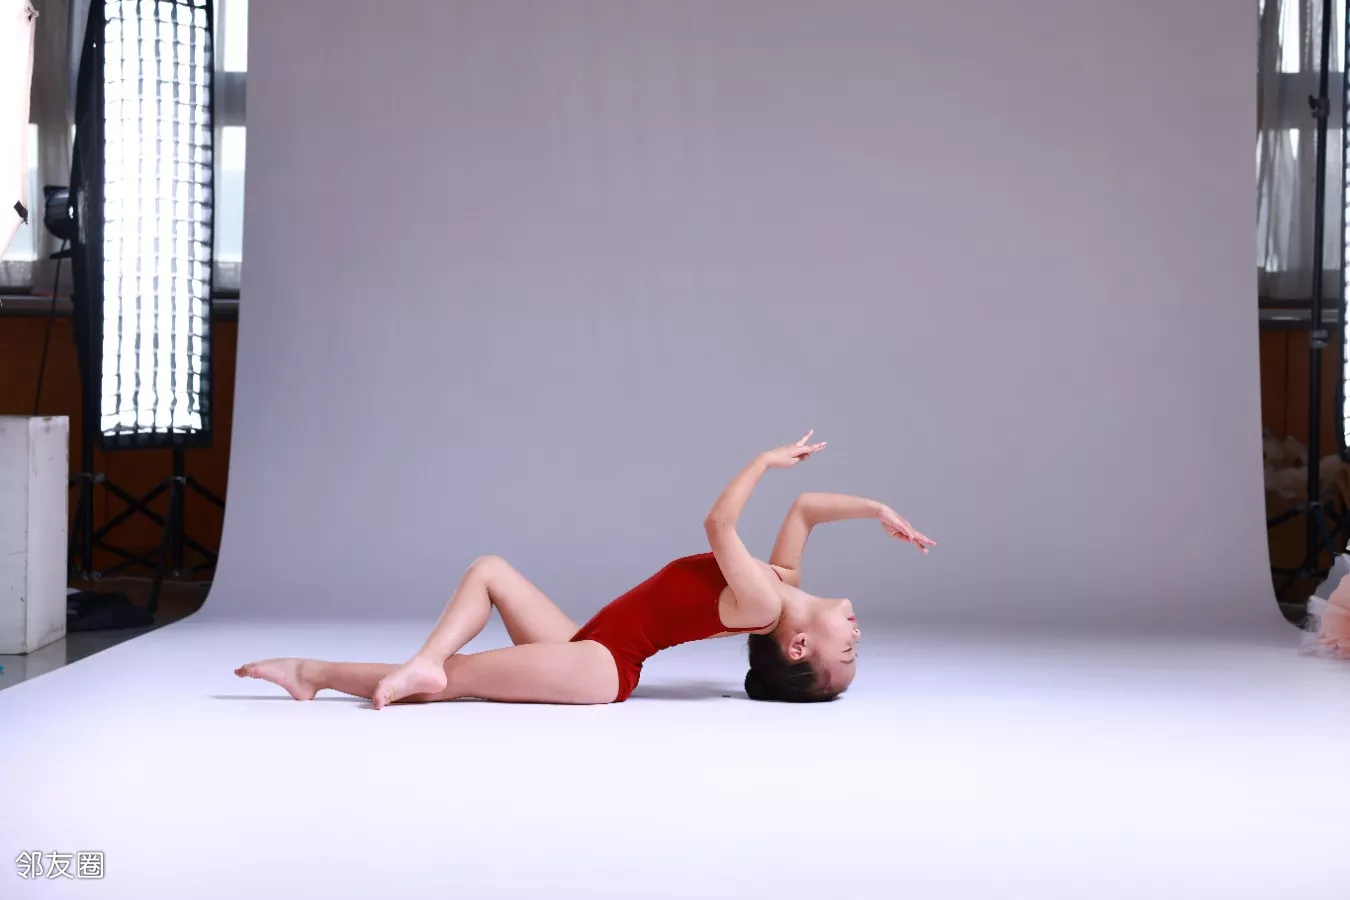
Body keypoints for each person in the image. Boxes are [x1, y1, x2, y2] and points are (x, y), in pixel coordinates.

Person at [234, 431, 934, 706]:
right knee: (490, 568)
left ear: (798, 646)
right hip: (586, 641)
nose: (858, 634)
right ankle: (419, 662)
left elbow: (718, 525)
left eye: (848, 651)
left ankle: (315, 673)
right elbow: (807, 508)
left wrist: (761, 462)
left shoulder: (761, 604)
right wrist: (877, 509)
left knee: (456, 678)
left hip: (602, 667)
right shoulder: (779, 581)